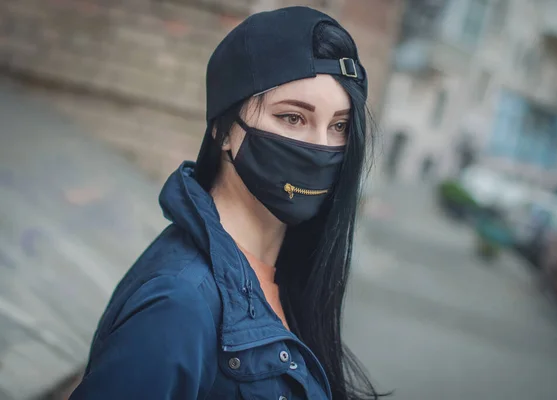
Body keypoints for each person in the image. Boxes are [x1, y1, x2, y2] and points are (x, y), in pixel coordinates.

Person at [69, 6, 386, 400]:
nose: (321, 147)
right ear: (223, 128)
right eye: (292, 118)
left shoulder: (291, 278)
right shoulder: (178, 306)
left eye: (338, 126)